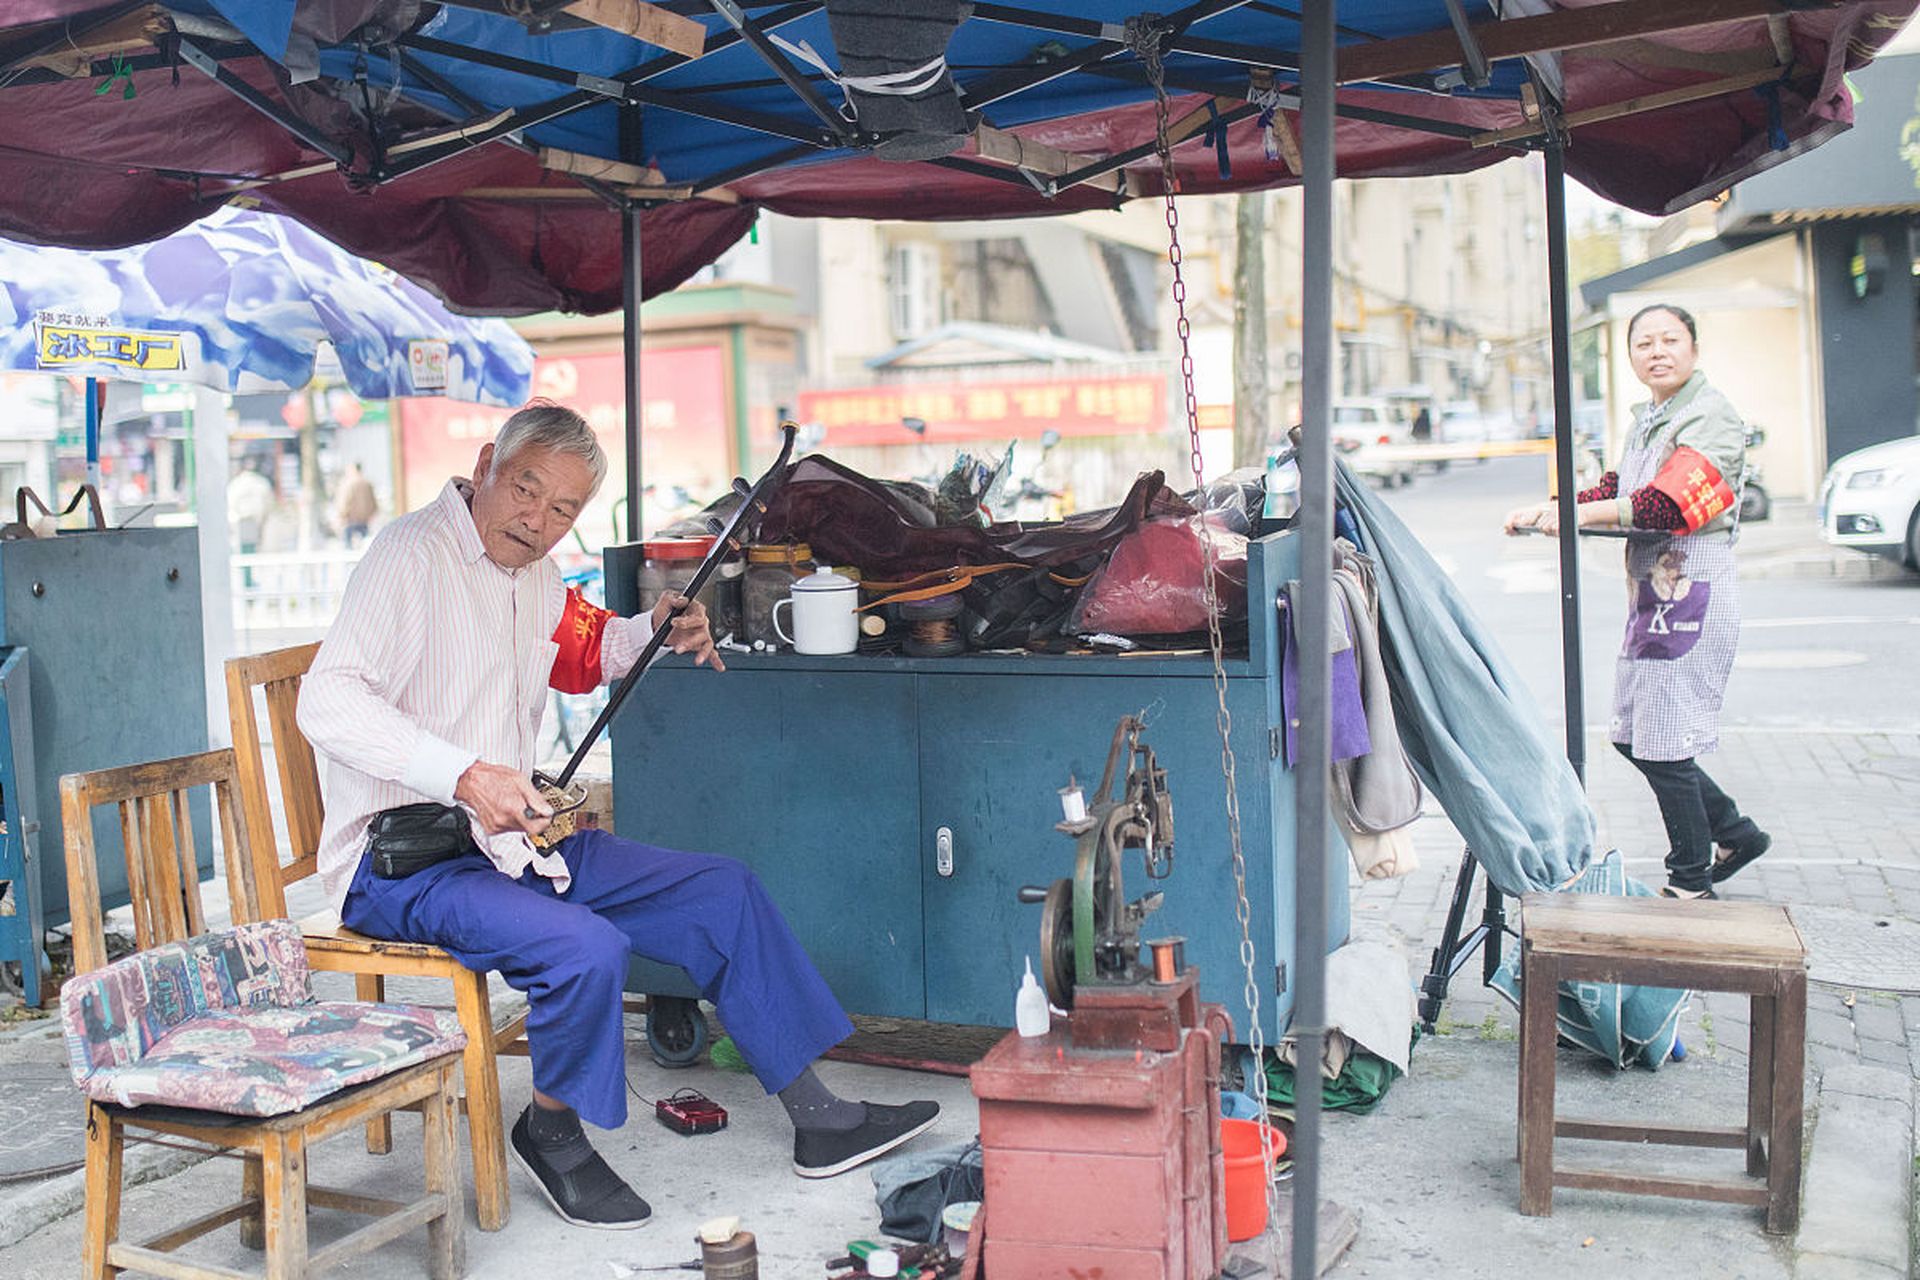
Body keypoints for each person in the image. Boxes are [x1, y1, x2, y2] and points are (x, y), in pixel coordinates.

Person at [297, 402, 939, 1230]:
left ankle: (822, 1118)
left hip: (508, 842)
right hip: (403, 862)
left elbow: (584, 650)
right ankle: (552, 1132)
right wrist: (463, 774)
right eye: (525, 489)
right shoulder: (409, 555)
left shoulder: (532, 574)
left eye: (563, 509)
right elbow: (328, 700)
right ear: (486, 464)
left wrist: (653, 630)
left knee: (722, 890)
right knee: (585, 948)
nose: (537, 520)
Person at [1503, 303, 1770, 899]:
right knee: (1633, 734)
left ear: (1694, 347)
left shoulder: (1710, 416)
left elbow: (1665, 506)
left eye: (1670, 340)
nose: (1657, 352)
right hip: (1655, 593)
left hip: (1691, 592)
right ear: (1630, 356)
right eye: (1644, 343)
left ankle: (1691, 879)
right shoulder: (1649, 418)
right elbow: (1617, 488)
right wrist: (1550, 508)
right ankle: (1736, 833)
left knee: (1664, 741)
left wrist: (1575, 515)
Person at [332, 460, 378, 547]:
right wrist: (369, 516)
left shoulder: (347, 484)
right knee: (365, 547)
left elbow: (343, 502)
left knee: (348, 548)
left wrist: (341, 516)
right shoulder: (367, 483)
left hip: (349, 521)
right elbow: (374, 504)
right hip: (364, 521)